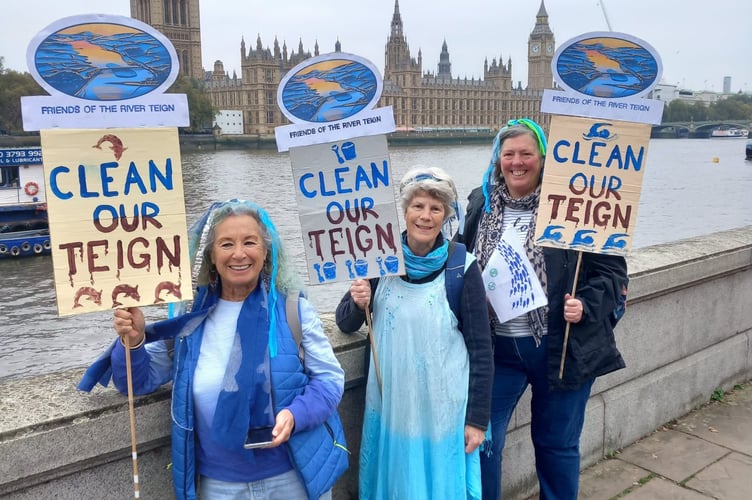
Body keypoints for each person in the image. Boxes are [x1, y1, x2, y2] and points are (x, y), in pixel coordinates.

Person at [78, 199, 348, 500]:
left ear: (266, 250)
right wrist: (134, 340)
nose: (239, 253)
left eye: (250, 242)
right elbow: (135, 381)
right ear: (211, 256)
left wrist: (296, 415)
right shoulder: (189, 322)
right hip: (219, 487)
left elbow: (330, 381)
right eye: (226, 244)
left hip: (292, 479)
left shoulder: (292, 310)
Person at [455, 119, 629, 500]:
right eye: (509, 154)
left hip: (561, 347)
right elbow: (453, 263)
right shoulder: (479, 203)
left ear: (543, 158)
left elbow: (613, 273)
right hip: (497, 350)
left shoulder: (575, 204)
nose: (517, 162)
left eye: (526, 154)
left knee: (556, 446)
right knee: (481, 440)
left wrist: (584, 304)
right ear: (498, 159)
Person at [336, 166, 494, 499]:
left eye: (435, 208)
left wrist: (477, 420)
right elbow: (346, 322)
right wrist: (356, 298)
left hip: (443, 416)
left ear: (446, 215)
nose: (425, 216)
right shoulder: (378, 259)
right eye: (418, 207)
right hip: (392, 410)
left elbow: (481, 349)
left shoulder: (462, 268)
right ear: (404, 212)